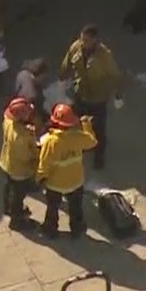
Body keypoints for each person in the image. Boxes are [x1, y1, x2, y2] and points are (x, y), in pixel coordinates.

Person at [59, 25, 123, 170]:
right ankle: (82, 146)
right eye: (81, 39)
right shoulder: (76, 47)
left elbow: (114, 75)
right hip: (80, 94)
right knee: (78, 125)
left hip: (98, 98)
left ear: (94, 40)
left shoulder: (104, 55)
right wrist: (62, 79)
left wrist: (118, 95)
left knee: (99, 130)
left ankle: (99, 156)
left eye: (86, 40)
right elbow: (67, 63)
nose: (83, 43)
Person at [36, 103, 97, 240]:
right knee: (76, 209)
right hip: (76, 181)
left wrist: (40, 177)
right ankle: (77, 229)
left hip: (55, 183)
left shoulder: (51, 141)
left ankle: (50, 230)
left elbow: (44, 163)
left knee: (52, 208)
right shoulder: (78, 137)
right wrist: (87, 125)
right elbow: (92, 142)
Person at [0, 97, 39, 232]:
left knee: (9, 187)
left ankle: (8, 209)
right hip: (19, 171)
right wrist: (36, 150)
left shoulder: (8, 121)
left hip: (7, 162)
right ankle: (16, 221)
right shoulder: (21, 137)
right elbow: (25, 156)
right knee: (18, 195)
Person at [13, 58, 49, 128]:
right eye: (43, 77)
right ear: (37, 76)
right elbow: (34, 111)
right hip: (26, 111)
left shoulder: (23, 73)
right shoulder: (32, 94)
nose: (45, 79)